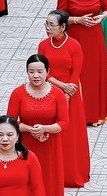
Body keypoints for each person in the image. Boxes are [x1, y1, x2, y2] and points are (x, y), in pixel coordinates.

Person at [7, 55, 71, 196]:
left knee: (51, 184)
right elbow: (9, 123)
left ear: (47, 72)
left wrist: (45, 129)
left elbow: (64, 123)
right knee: (26, 185)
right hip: (26, 147)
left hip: (50, 146)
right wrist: (29, 130)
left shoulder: (57, 94)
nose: (36, 75)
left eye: (40, 71)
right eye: (31, 71)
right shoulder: (18, 93)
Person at [38, 13, 91, 187]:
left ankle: (72, 173)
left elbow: (76, 74)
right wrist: (61, 87)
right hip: (51, 92)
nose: (47, 28)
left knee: (71, 135)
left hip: (71, 96)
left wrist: (68, 94)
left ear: (62, 27)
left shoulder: (74, 46)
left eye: (51, 25)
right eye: (46, 24)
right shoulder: (43, 45)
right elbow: (42, 71)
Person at [56, 0, 107, 125]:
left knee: (94, 74)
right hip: (75, 37)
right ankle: (78, 114)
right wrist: (77, 20)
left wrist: (102, 17)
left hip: (95, 38)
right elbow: (59, 16)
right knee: (77, 73)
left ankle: (95, 114)